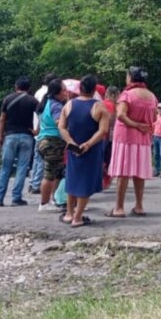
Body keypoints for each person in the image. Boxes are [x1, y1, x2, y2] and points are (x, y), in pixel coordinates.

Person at [60, 74, 110, 227]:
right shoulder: (99, 107)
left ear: (80, 88)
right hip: (91, 150)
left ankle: (69, 213)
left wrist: (71, 142)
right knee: (86, 183)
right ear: (94, 89)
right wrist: (88, 144)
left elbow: (61, 127)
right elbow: (103, 131)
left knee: (72, 179)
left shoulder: (69, 105)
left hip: (73, 149)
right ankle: (78, 217)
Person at [108, 67, 157, 217]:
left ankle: (119, 208)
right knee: (139, 172)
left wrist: (135, 124)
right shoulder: (152, 96)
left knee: (123, 171)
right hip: (143, 139)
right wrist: (143, 125)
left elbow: (121, 115)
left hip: (125, 137)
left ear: (131, 77)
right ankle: (139, 206)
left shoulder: (127, 95)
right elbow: (154, 118)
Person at [0, 76, 38, 206]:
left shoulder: (7, 99)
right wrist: (37, 130)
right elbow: (42, 114)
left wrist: (0, 136)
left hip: (10, 136)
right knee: (22, 168)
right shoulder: (32, 100)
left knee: (5, 168)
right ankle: (16, 197)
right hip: (27, 136)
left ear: (16, 87)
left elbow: (2, 119)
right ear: (29, 88)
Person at [35, 78, 68, 210]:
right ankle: (44, 203)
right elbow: (59, 122)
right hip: (52, 142)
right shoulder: (56, 106)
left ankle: (52, 200)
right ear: (57, 92)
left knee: (56, 172)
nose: (66, 92)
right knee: (49, 173)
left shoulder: (47, 103)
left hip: (44, 141)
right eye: (64, 89)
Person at [151, 102, 161, 180]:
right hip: (155, 136)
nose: (160, 109)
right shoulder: (156, 116)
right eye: (159, 108)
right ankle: (157, 169)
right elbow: (153, 126)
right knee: (156, 154)